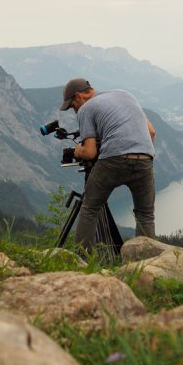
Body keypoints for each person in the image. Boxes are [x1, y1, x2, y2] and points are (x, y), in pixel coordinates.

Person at [59, 77, 156, 254]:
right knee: (145, 215)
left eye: (72, 106)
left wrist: (75, 152)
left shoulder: (86, 109)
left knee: (90, 207)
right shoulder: (125, 95)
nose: (74, 111)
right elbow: (151, 132)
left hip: (113, 160)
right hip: (145, 157)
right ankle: (145, 263)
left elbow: (89, 153)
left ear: (79, 96)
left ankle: (82, 259)